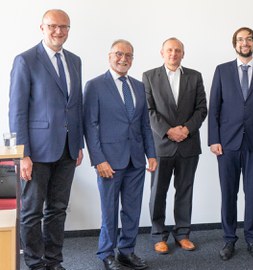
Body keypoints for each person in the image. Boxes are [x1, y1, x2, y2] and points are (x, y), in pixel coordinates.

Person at [8, 9, 83, 270]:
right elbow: (17, 110)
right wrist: (23, 153)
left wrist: (79, 144)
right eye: (53, 26)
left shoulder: (75, 60)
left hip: (68, 148)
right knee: (31, 212)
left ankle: (54, 262)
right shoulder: (25, 60)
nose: (58, 31)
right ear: (42, 28)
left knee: (58, 209)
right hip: (36, 152)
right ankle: (35, 263)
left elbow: (76, 106)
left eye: (64, 27)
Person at [83, 39, 157, 270]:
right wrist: (99, 160)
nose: (123, 59)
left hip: (136, 159)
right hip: (109, 161)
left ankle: (126, 252)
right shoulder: (94, 85)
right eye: (119, 54)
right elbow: (90, 125)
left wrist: (151, 154)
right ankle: (107, 253)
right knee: (109, 210)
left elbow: (145, 124)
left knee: (132, 209)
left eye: (129, 55)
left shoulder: (138, 86)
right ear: (109, 56)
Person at [208, 27, 253, 261]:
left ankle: (252, 240)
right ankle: (229, 239)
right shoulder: (222, 70)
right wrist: (213, 139)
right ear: (234, 44)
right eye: (240, 39)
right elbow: (214, 108)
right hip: (226, 145)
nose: (244, 43)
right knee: (229, 193)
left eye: (248, 39)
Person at [142, 37, 207, 254]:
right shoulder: (149, 76)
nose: (173, 54)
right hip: (161, 144)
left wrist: (186, 129)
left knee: (184, 191)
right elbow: (148, 110)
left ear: (183, 54)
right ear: (162, 53)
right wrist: (169, 131)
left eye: (177, 50)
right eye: (169, 50)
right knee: (158, 192)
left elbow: (201, 109)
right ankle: (159, 235)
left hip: (188, 144)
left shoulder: (195, 76)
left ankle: (183, 234)